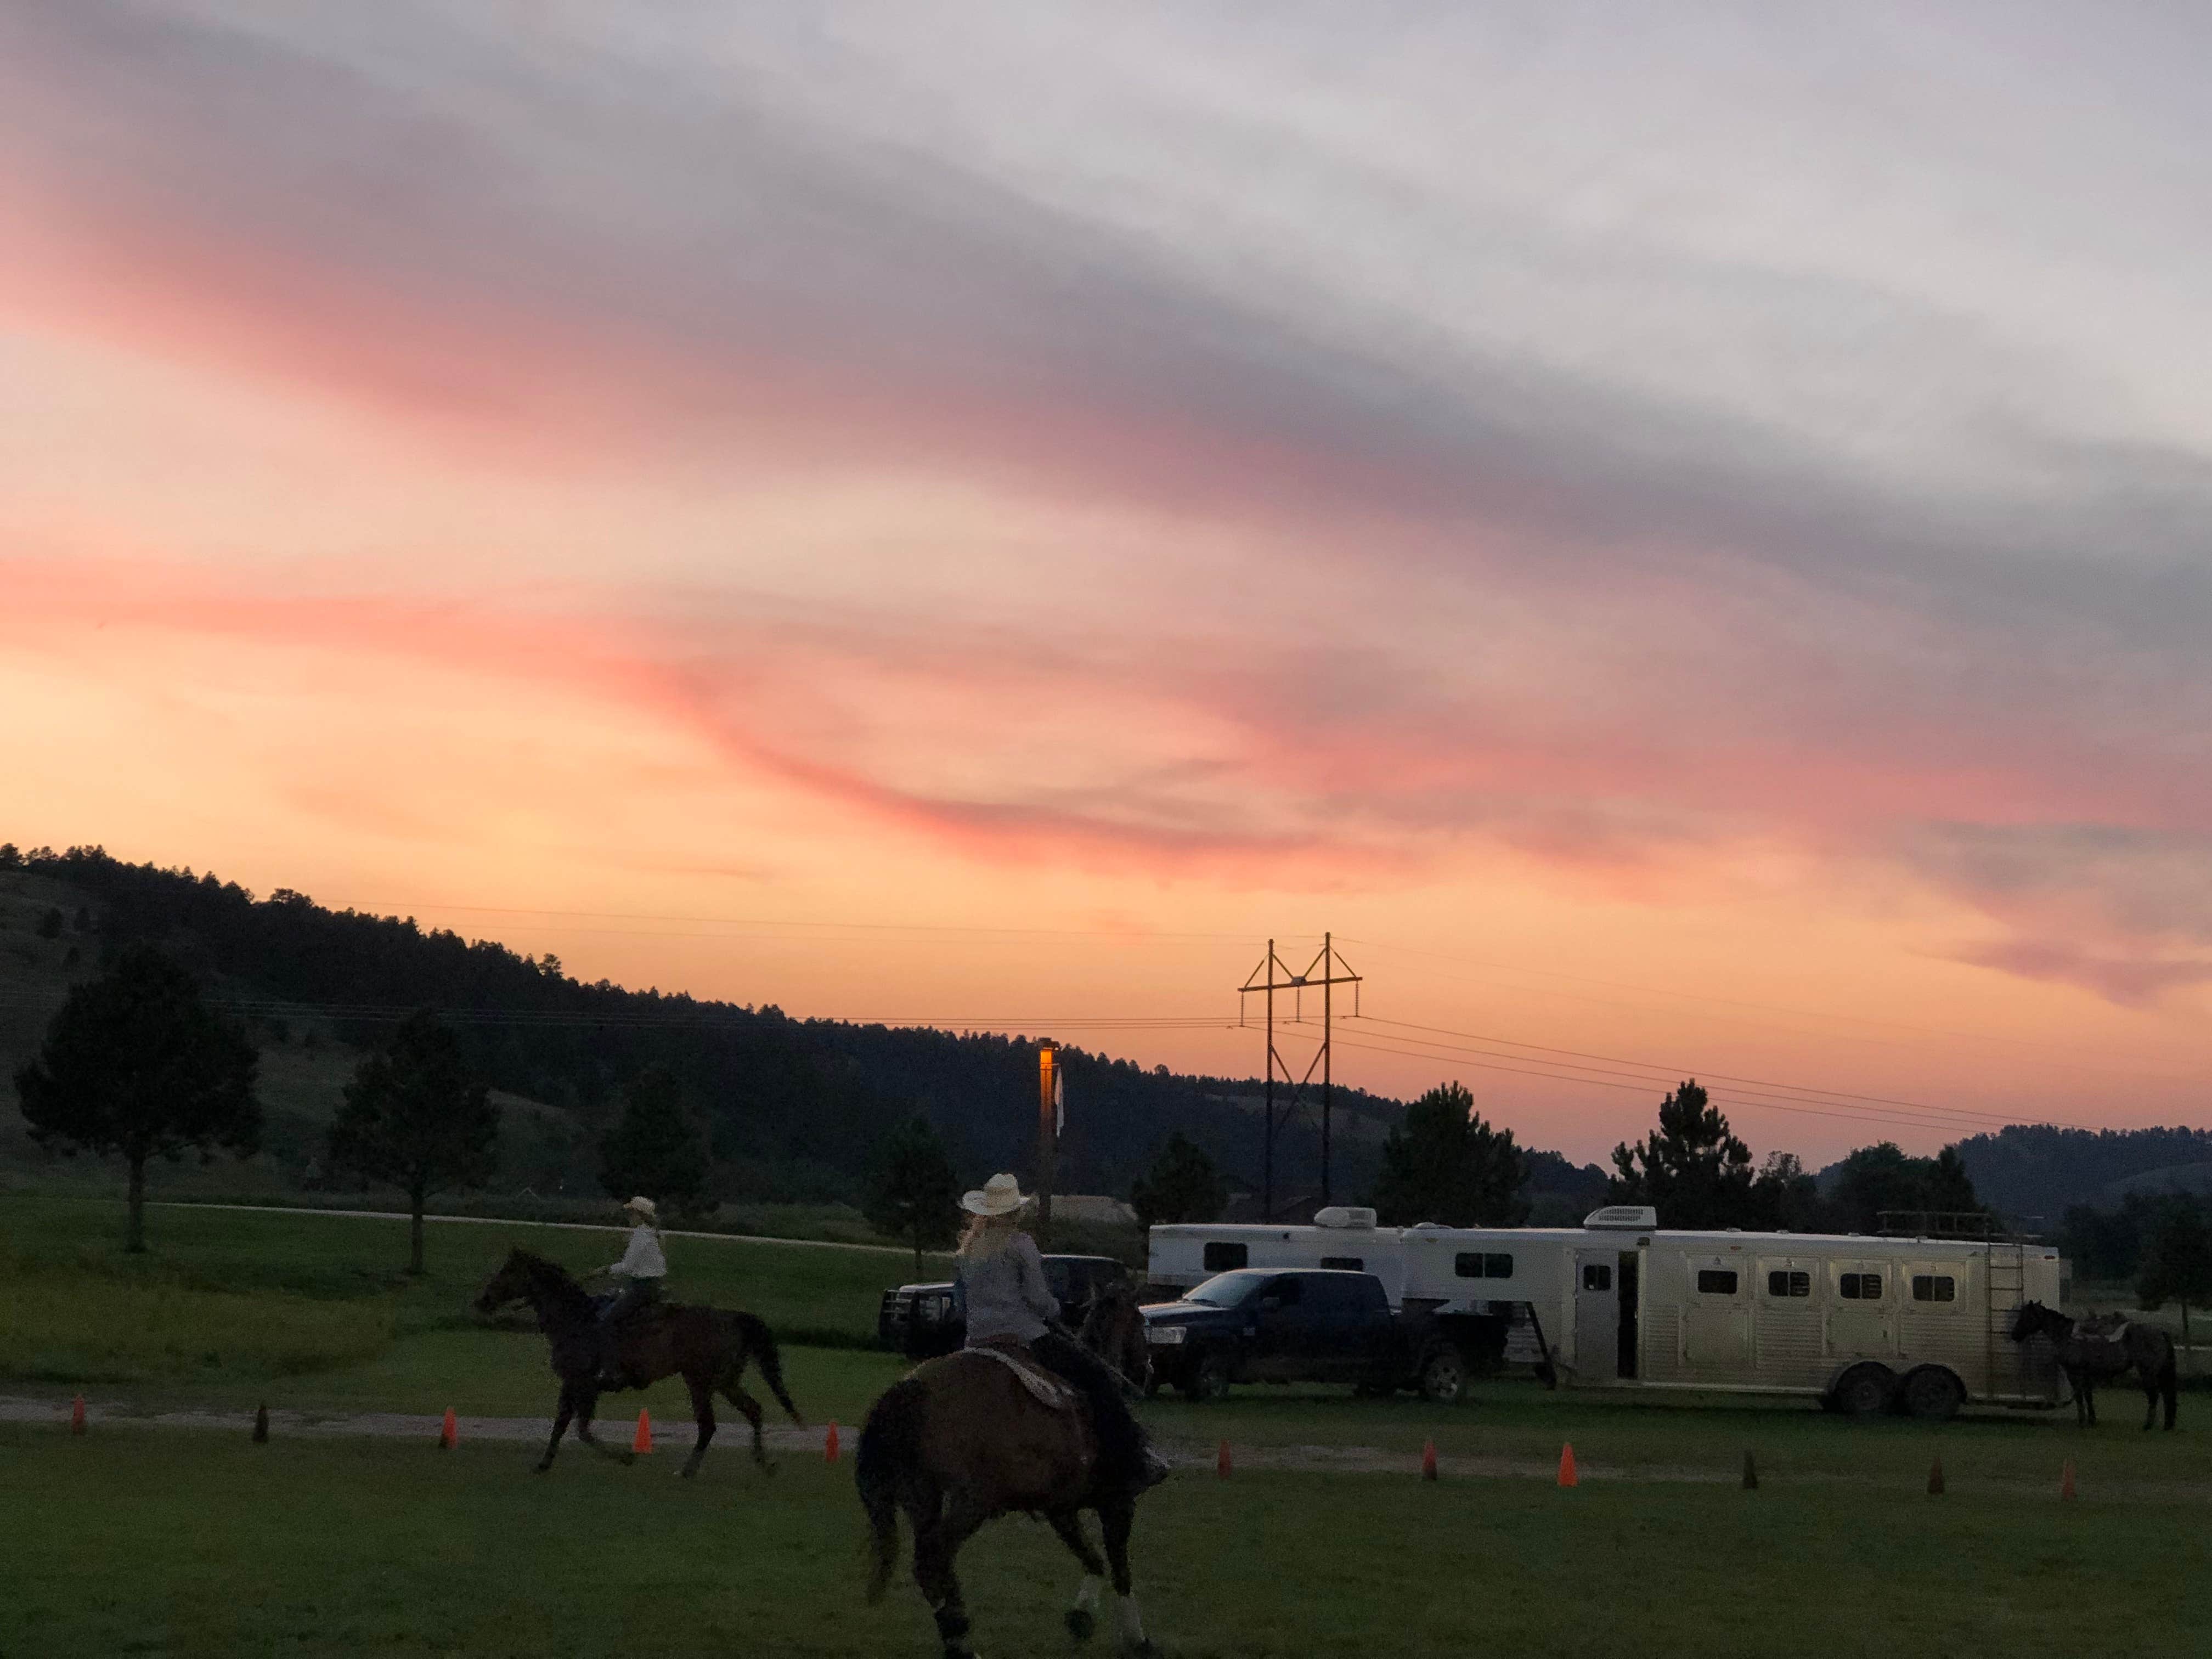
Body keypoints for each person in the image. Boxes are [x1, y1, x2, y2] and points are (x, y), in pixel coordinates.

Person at [953, 1172, 1168, 1493]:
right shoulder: (1020, 1244)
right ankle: (1133, 1460)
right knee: (1095, 1378)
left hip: (976, 1340)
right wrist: (1057, 1310)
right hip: (1024, 1335)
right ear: (1014, 1212)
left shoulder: (967, 1252)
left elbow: (961, 1305)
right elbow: (1039, 1300)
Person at [592, 1195, 667, 1387]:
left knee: (607, 1324)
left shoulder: (641, 1236)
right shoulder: (651, 1234)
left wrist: (605, 1270)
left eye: (631, 1213)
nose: (628, 1216)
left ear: (639, 1215)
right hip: (647, 1286)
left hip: (642, 1289)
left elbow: (627, 1266)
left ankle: (611, 1372)